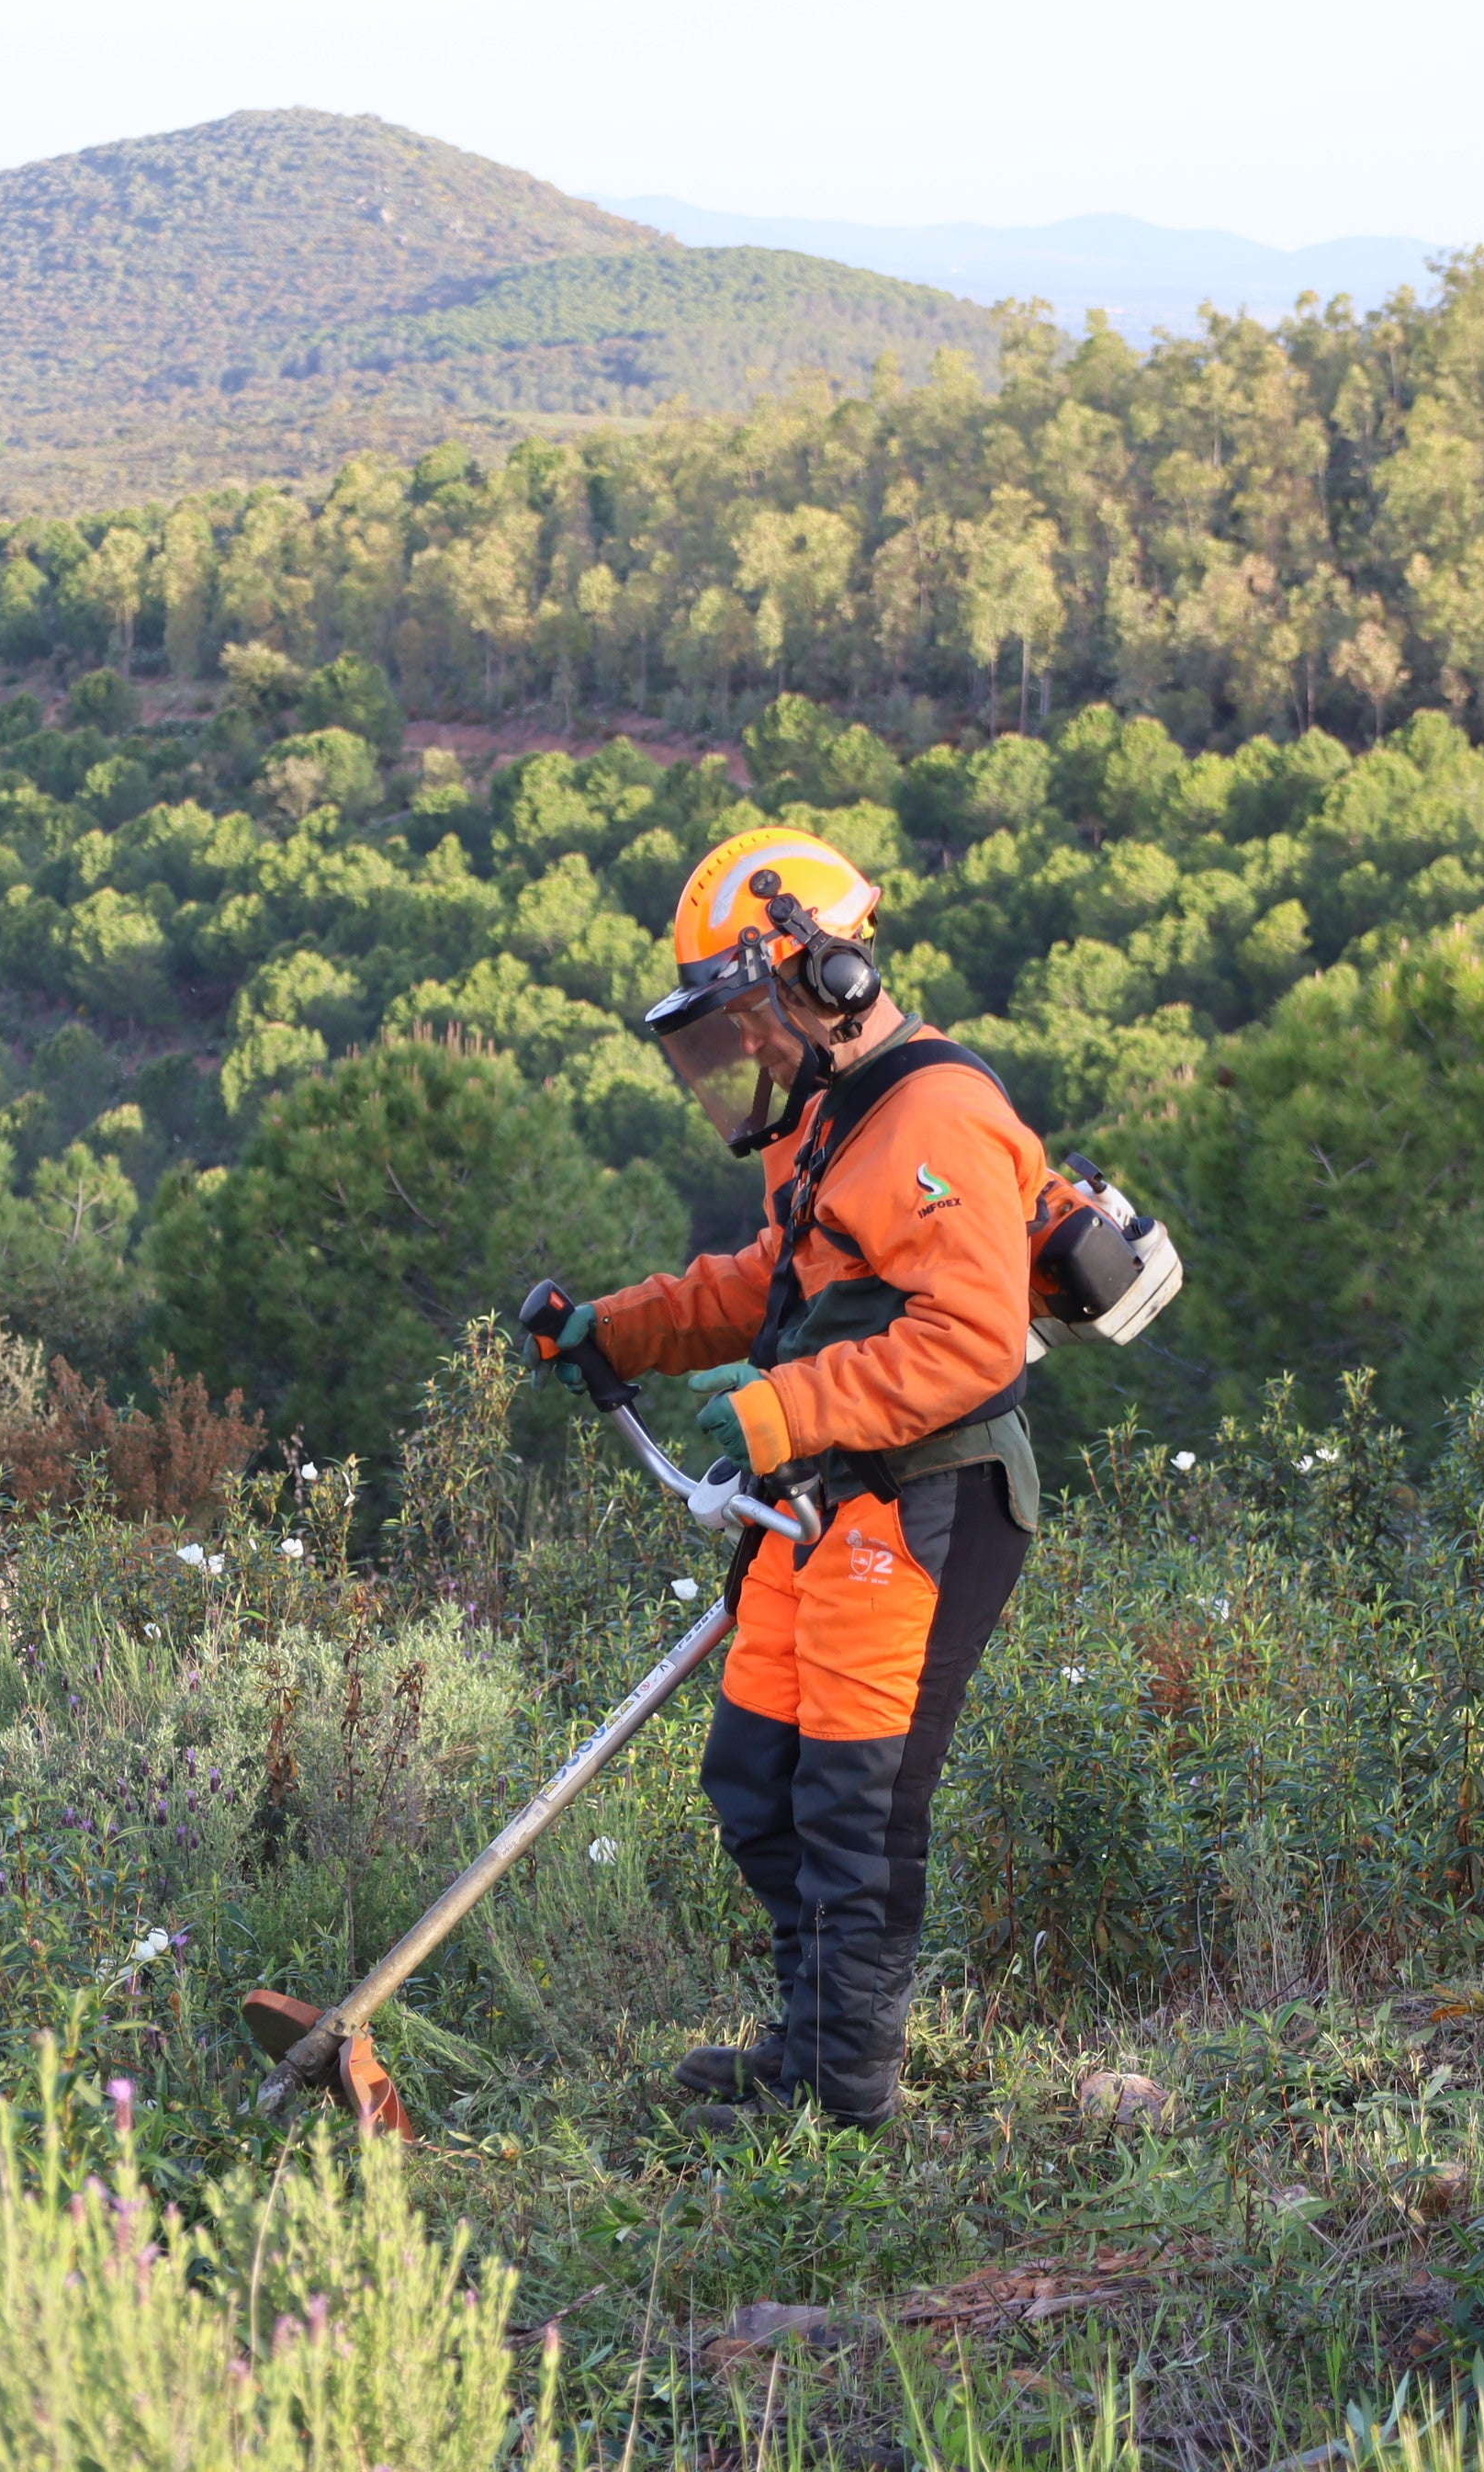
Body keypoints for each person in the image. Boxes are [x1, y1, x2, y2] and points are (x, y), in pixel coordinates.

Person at [534, 827, 1041, 2130]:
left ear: (833, 974)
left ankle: (843, 2095)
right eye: (726, 1027)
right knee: (757, 1780)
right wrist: (621, 1329)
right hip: (818, 1495)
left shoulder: (939, 1118)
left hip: (927, 1498)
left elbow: (971, 1342)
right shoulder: (825, 1118)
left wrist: (776, 1409)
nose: (747, 1048)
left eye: (753, 1014)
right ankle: (809, 2038)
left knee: (855, 1811)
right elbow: (777, 1278)